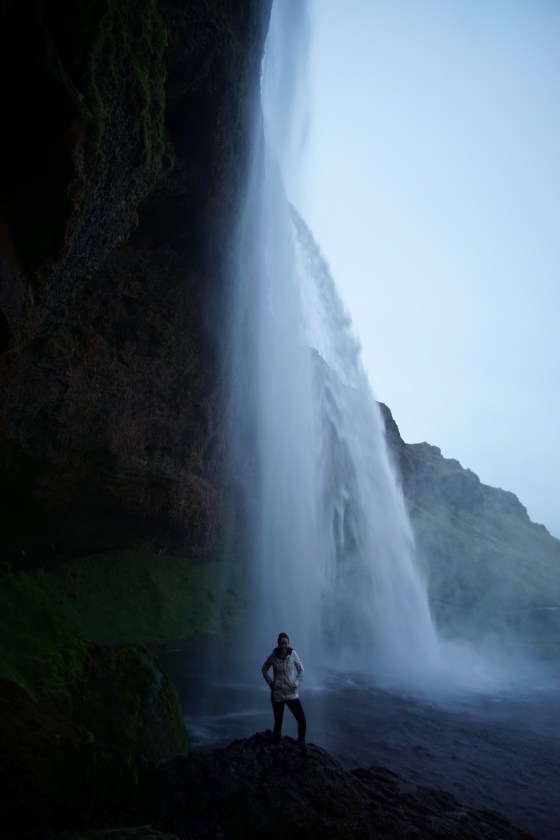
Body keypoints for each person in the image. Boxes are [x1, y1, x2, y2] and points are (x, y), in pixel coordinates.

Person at [261, 632, 307, 756]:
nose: (283, 646)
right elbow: (264, 669)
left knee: (302, 720)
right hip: (277, 694)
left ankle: (301, 740)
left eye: (285, 643)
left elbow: (301, 670)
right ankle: (278, 745)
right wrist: (271, 682)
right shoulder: (273, 656)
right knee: (278, 721)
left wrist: (297, 682)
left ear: (288, 644)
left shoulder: (293, 654)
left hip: (292, 693)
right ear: (278, 643)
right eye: (281, 643)